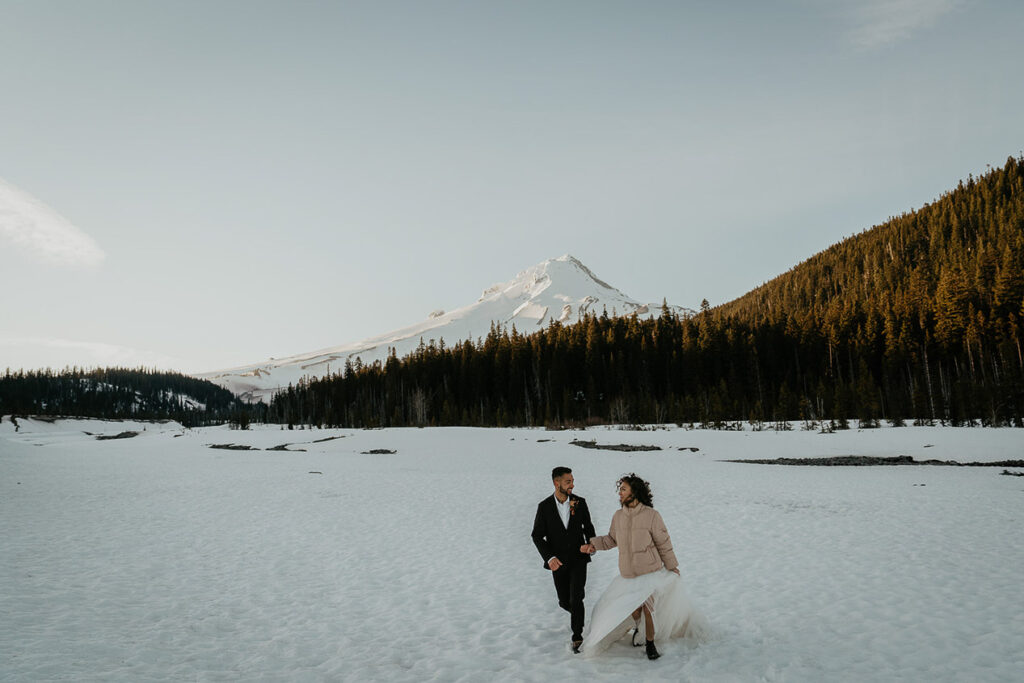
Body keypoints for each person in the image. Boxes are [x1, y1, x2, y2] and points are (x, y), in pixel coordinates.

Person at [579, 473, 706, 660]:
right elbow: (612, 539)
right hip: (628, 574)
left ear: (635, 492)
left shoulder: (651, 516)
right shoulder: (618, 516)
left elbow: (664, 542)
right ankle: (639, 629)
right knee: (630, 609)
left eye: (623, 489)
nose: (620, 493)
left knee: (649, 609)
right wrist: (593, 544)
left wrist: (672, 566)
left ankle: (650, 644)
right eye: (619, 489)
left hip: (649, 573)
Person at [531, 466, 597, 654]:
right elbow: (537, 536)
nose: (572, 485)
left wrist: (590, 545)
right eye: (568, 481)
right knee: (564, 601)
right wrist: (549, 558)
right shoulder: (544, 507)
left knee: (577, 598)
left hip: (579, 559)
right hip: (558, 562)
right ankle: (579, 616)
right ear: (556, 482)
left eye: (572, 481)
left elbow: (589, 529)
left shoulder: (580, 502)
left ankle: (577, 636)